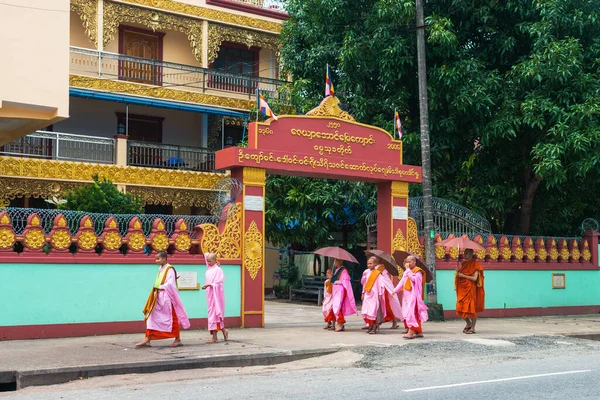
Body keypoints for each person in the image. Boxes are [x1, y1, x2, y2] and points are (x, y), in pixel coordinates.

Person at [137, 251, 190, 348]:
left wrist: (159, 286)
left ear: (165, 259)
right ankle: (147, 339)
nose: (156, 261)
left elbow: (170, 284)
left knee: (172, 317)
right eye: (155, 259)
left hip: (167, 297)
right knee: (151, 315)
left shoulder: (169, 269)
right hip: (158, 296)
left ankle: (178, 339)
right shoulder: (161, 269)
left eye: (158, 258)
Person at [394, 255, 428, 339]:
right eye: (406, 262)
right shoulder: (407, 271)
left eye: (409, 262)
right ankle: (419, 331)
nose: (407, 264)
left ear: (414, 262)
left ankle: (411, 331)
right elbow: (402, 282)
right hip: (406, 296)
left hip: (414, 297)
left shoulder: (418, 271)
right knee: (413, 313)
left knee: (412, 313)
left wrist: (408, 270)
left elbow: (414, 280)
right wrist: (395, 290)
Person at [455, 248, 485, 334]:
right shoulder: (463, 264)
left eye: (467, 253)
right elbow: (459, 275)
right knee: (459, 307)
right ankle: (468, 323)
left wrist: (463, 275)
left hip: (471, 289)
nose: (465, 255)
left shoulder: (476, 264)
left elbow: (475, 278)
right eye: (464, 253)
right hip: (462, 289)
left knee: (472, 308)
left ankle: (473, 327)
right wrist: (458, 272)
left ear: (472, 254)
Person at [324, 258, 357, 332]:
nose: (334, 262)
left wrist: (335, 282)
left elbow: (344, 281)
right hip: (336, 291)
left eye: (336, 261)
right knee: (335, 307)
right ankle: (337, 324)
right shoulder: (337, 270)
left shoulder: (343, 270)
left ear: (340, 261)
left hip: (340, 291)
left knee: (337, 307)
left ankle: (340, 324)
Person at [202, 252, 228, 343]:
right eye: (207, 261)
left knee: (215, 315)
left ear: (215, 261)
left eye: (210, 261)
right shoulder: (209, 269)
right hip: (210, 296)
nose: (208, 263)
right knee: (212, 315)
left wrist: (210, 284)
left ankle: (215, 337)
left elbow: (219, 283)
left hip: (216, 296)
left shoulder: (218, 270)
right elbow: (205, 254)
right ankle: (224, 330)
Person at [373, 257, 402, 330]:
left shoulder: (382, 269)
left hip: (383, 289)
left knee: (386, 305)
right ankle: (374, 323)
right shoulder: (373, 269)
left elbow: (385, 280)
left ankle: (394, 321)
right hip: (375, 290)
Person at [361, 256, 384, 334]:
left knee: (373, 311)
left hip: (375, 295)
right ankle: (370, 326)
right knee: (366, 311)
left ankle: (374, 327)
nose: (369, 265)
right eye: (368, 264)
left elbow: (381, 284)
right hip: (367, 294)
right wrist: (363, 293)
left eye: (371, 263)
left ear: (375, 264)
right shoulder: (366, 272)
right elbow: (364, 284)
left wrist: (380, 294)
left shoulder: (378, 274)